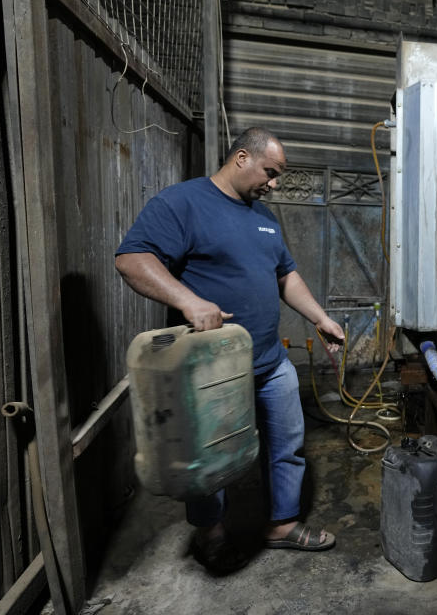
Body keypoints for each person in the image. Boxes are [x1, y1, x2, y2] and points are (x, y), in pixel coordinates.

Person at [115, 127, 344, 573]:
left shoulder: (264, 217)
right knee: (210, 458)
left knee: (288, 444)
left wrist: (319, 317)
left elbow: (285, 275)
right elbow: (132, 258)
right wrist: (188, 300)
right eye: (270, 172)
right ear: (241, 157)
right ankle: (211, 534)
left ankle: (282, 524)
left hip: (269, 361)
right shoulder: (182, 203)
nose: (274, 184)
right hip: (211, 370)